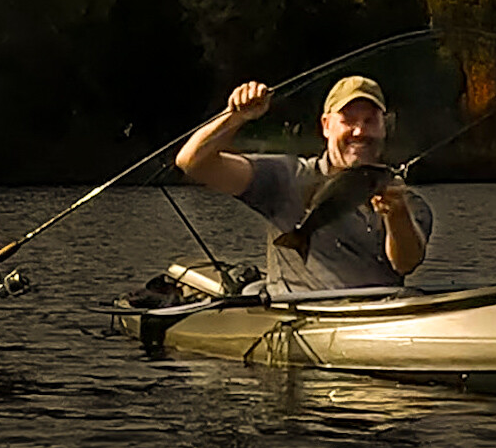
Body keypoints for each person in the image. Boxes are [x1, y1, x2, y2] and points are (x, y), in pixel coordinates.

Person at [174, 75, 432, 292]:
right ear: (326, 126)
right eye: (348, 120)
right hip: (301, 316)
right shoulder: (287, 176)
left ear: (384, 128)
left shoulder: (407, 202)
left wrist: (397, 215)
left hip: (380, 322)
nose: (359, 132)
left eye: (369, 121)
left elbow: (406, 264)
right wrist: (235, 117)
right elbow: (192, 162)